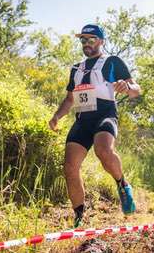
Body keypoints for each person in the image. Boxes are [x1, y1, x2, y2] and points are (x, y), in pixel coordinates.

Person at [48, 24, 141, 227]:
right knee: (70, 167)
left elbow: (137, 89)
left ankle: (122, 185)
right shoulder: (76, 68)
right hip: (83, 119)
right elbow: (69, 99)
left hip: (105, 114)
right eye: (83, 40)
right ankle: (79, 217)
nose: (86, 44)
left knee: (103, 150)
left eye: (91, 40)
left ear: (101, 41)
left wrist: (127, 87)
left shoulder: (111, 62)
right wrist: (57, 116)